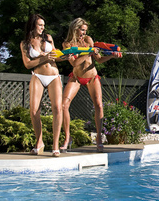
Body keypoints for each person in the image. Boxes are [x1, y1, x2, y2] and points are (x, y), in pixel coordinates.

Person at [60, 18, 122, 153]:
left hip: (92, 77)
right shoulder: (67, 44)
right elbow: (74, 63)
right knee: (64, 105)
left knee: (99, 105)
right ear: (75, 28)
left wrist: (112, 55)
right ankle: (67, 138)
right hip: (76, 77)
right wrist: (89, 52)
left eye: (85, 30)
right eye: (82, 30)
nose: (83, 33)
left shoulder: (88, 40)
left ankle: (99, 138)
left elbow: (98, 59)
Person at [20, 14, 63, 157]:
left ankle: (55, 145)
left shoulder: (48, 38)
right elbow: (27, 64)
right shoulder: (25, 43)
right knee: (33, 111)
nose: (43, 28)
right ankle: (39, 142)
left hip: (53, 75)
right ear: (33, 25)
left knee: (57, 108)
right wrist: (44, 57)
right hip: (38, 75)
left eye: (43, 25)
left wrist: (65, 56)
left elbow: (56, 55)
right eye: (40, 25)